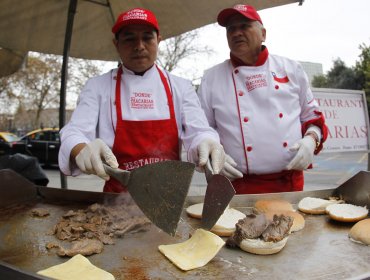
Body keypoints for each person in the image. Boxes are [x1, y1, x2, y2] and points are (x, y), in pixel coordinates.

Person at [58, 7, 225, 193]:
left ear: (158, 41)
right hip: (117, 198)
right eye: (129, 38)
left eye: (147, 37)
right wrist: (81, 147)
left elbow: (199, 131)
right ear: (116, 44)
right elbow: (74, 131)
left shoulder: (181, 86)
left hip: (171, 198)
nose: (139, 46)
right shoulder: (97, 86)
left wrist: (207, 141)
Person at [198, 4, 328, 194]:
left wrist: (311, 140)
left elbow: (312, 118)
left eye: (244, 26)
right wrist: (211, 154)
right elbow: (203, 128)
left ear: (263, 34)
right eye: (231, 29)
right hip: (233, 184)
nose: (236, 33)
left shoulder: (291, 69)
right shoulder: (212, 78)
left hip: (287, 183)